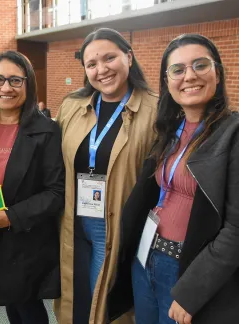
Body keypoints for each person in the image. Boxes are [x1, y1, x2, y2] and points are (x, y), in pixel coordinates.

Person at [115, 34, 239, 324]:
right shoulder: (171, 129)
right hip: (146, 257)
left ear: (218, 73)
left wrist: (192, 290)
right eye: (178, 69)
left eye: (200, 65)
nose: (189, 76)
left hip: (186, 268)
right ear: (167, 81)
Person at [54, 28, 158, 324]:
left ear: (128, 56)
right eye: (91, 64)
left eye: (109, 57)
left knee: (105, 301)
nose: (101, 69)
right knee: (75, 297)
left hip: (114, 223)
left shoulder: (156, 109)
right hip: (74, 219)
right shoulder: (73, 106)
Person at [0, 51, 65, 324]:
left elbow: (55, 192)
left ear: (28, 85)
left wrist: (12, 216)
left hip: (26, 239)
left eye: (15, 81)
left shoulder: (46, 131)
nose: (5, 88)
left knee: (27, 309)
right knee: (11, 306)